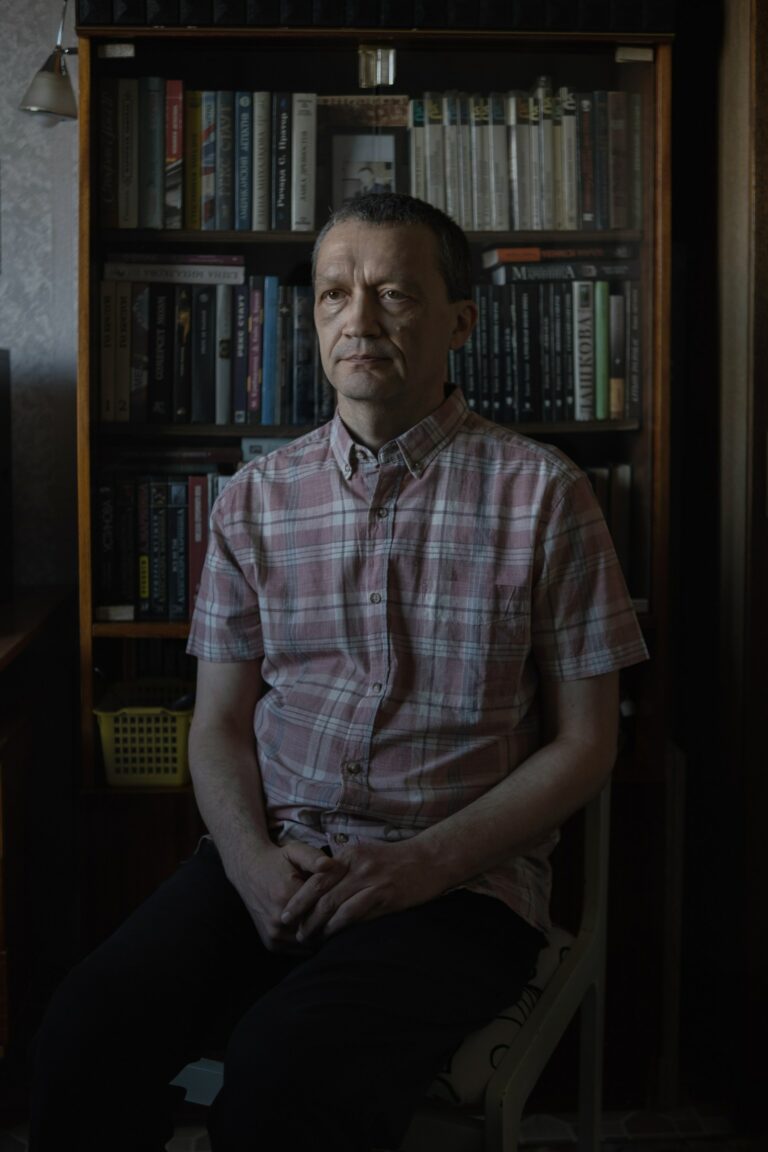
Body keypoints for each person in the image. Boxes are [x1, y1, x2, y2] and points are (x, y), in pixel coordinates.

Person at [29, 192, 647, 1152]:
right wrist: (253, 866)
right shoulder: (254, 500)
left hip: (457, 887)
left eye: (393, 293)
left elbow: (588, 740)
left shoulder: (545, 495)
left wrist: (421, 865)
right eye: (332, 295)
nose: (357, 320)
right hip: (279, 859)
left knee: (287, 1074)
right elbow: (219, 726)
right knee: (80, 1032)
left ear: (459, 322)